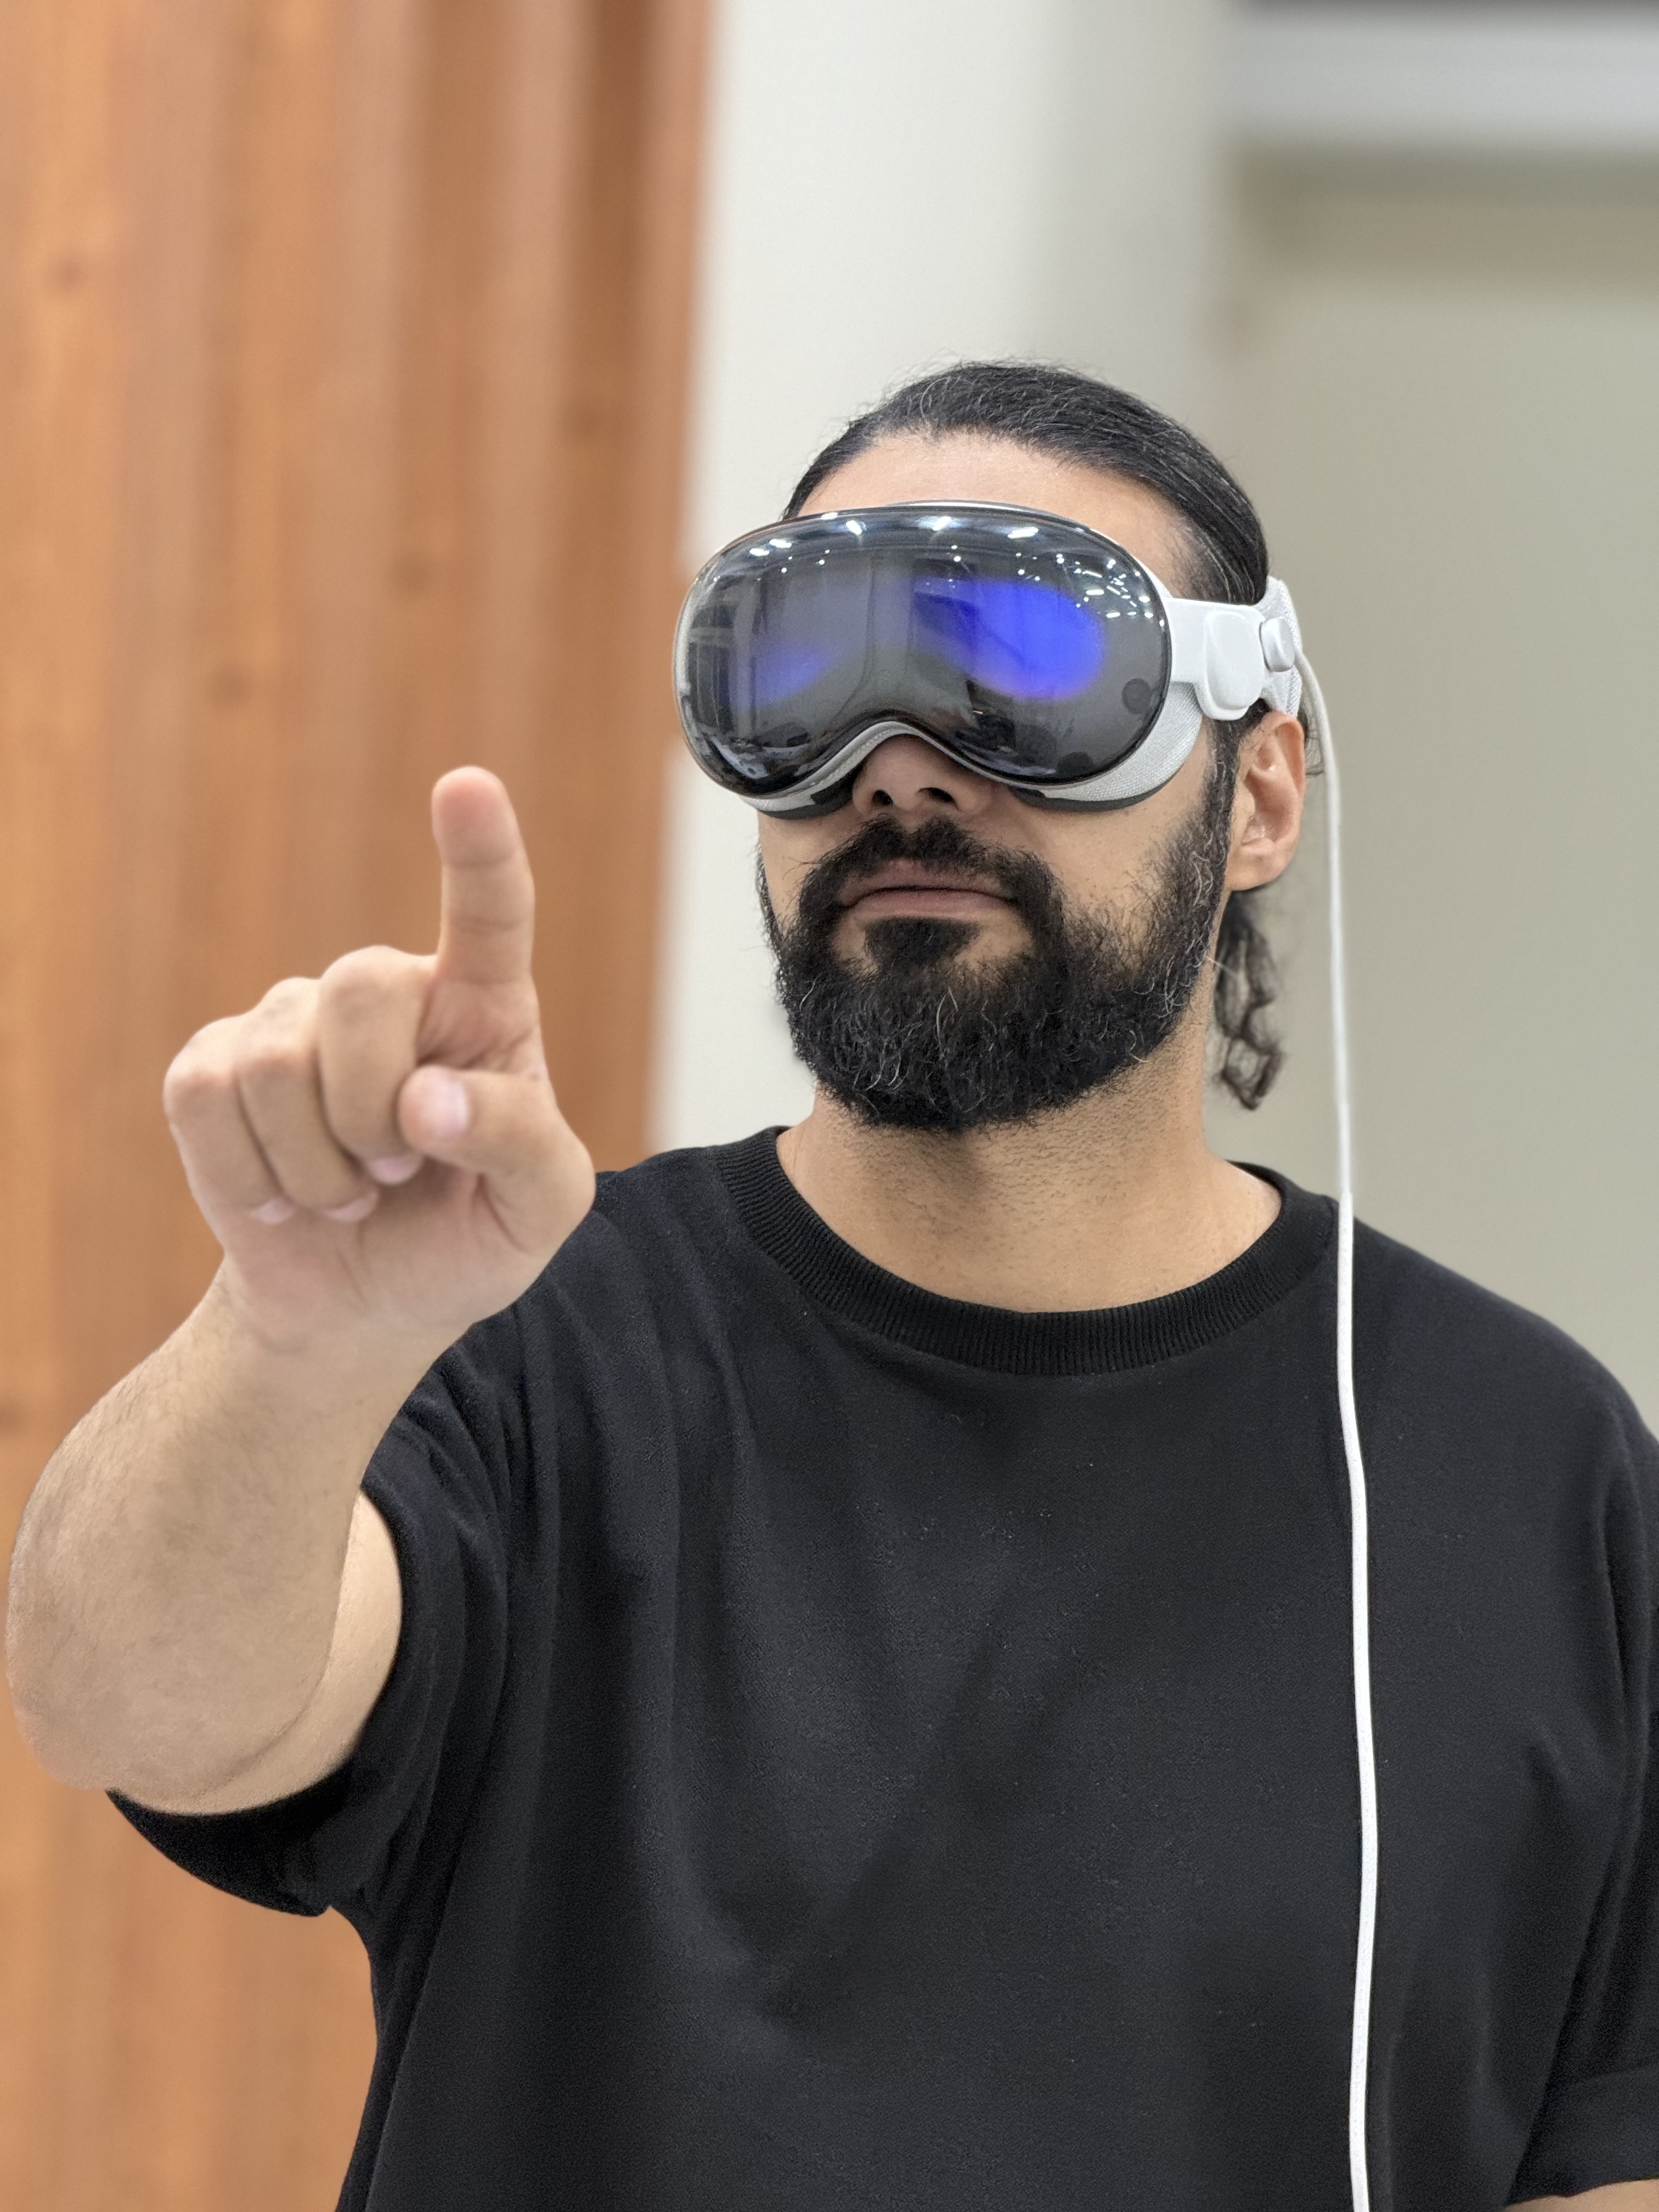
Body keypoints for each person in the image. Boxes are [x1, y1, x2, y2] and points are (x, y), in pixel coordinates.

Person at [7, 363, 1657, 2212]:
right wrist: (295, 1337)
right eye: (802, 680)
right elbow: (121, 1710)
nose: (895, 768)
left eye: (1023, 667)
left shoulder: (1524, 1466)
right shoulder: (529, 1341)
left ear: (1257, 789)